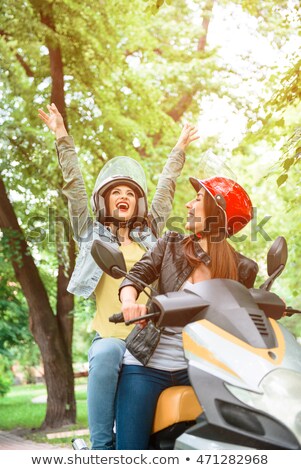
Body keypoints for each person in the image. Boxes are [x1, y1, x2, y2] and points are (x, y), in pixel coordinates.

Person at [38, 103, 199, 450]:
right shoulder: (89, 231)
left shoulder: (150, 234)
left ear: (137, 203)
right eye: (116, 193)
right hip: (111, 336)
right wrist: (62, 138)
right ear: (105, 201)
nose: (124, 196)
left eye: (129, 193)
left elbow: (167, 189)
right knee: (109, 351)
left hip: (149, 340)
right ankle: (101, 448)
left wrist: (179, 150)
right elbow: (74, 187)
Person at [117, 175, 259, 450]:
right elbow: (134, 278)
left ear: (217, 214)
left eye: (197, 199)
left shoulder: (243, 269)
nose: (187, 205)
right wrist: (128, 302)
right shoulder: (170, 244)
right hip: (146, 364)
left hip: (201, 369)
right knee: (130, 452)